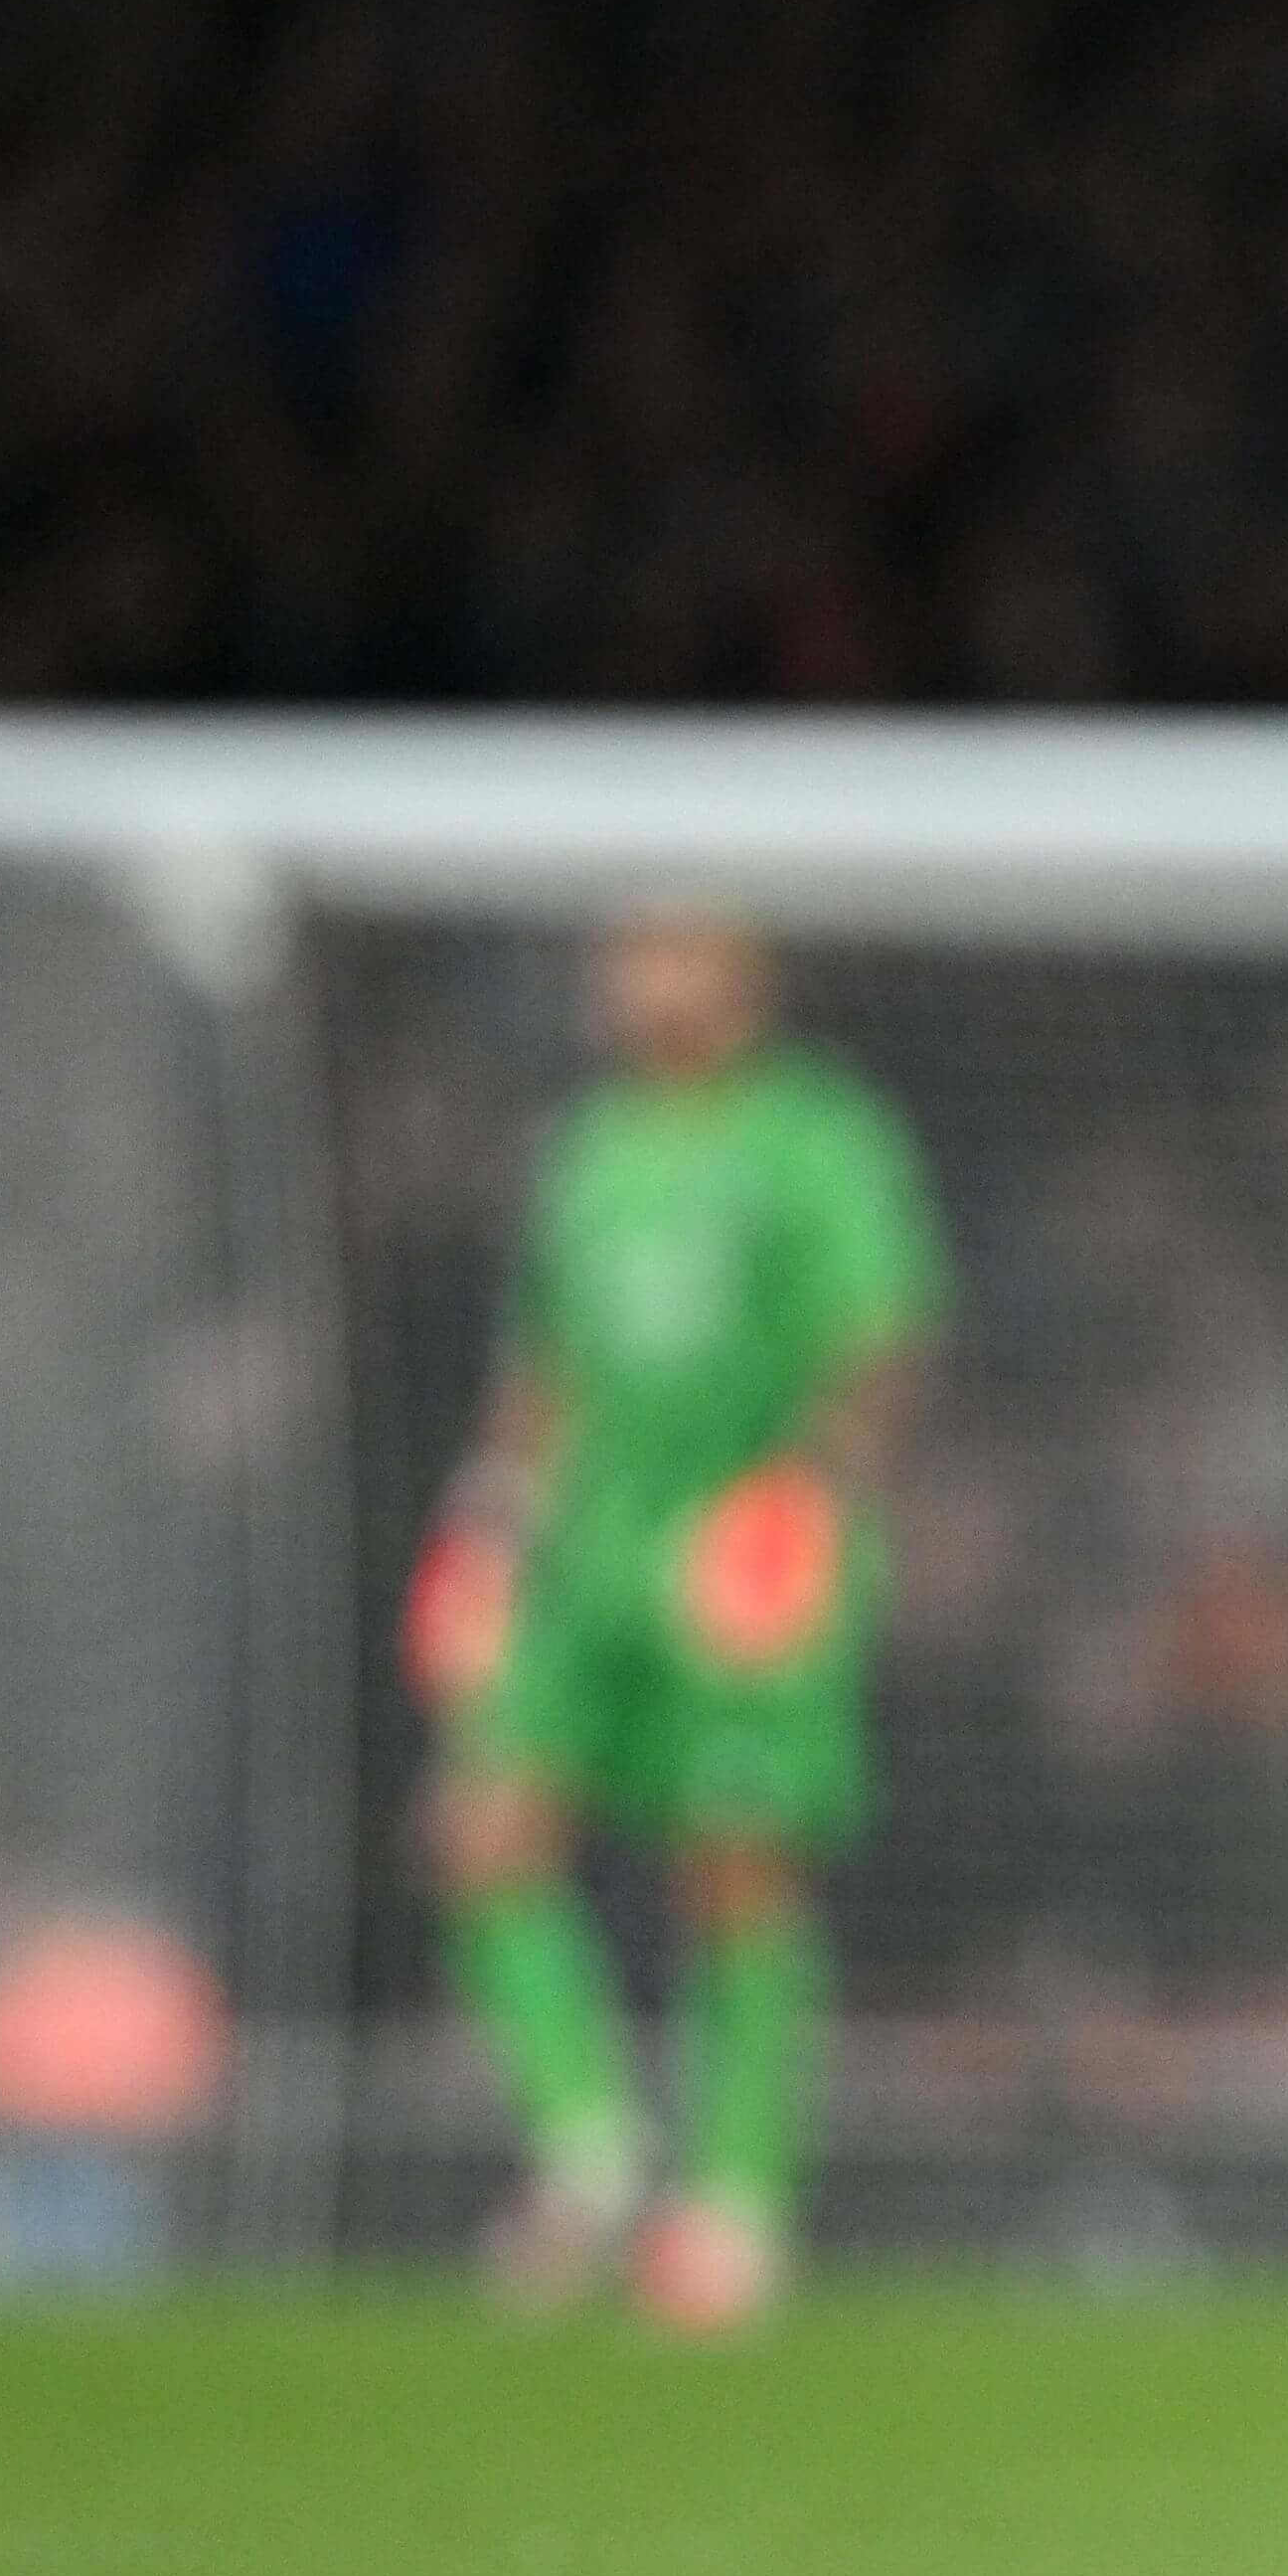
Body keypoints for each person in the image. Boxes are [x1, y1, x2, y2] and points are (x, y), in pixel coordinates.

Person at [408, 906, 944, 2331]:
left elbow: (880, 1339)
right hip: (584, 1555)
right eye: (627, 953)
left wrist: (807, 1499)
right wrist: (487, 1525)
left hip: (742, 1545)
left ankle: (739, 2204)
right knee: (481, 1830)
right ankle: (586, 2149)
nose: (639, 981)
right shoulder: (588, 1149)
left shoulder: (818, 1139)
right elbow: (545, 1366)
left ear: (745, 976)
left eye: (673, 951)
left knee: (737, 1868)